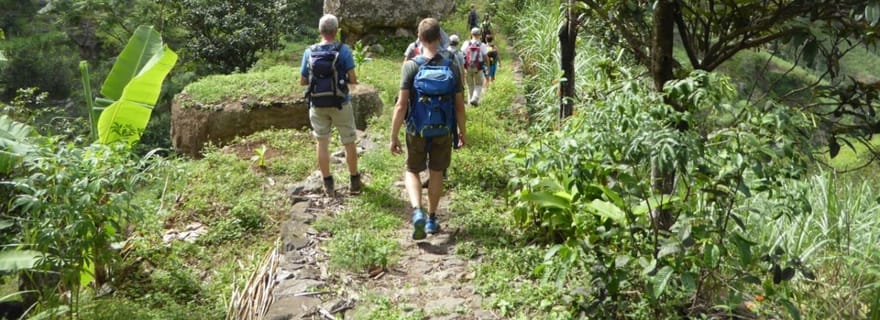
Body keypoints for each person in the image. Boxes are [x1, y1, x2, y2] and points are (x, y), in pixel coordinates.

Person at [390, 18, 467, 240]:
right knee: (436, 172)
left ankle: (417, 212)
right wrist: (462, 132)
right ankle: (432, 218)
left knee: (412, 171)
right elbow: (460, 106)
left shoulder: (411, 65)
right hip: (444, 128)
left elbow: (401, 104)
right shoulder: (451, 64)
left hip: (416, 129)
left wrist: (393, 136)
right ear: (440, 37)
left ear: (419, 38)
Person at [300, 14, 362, 196]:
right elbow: (352, 79)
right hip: (340, 103)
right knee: (349, 141)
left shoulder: (309, 52)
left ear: (320, 31)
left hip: (317, 103)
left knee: (322, 142)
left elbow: (303, 81)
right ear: (336, 31)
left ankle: (328, 184)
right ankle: (354, 182)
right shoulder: (343, 50)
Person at [461, 27, 488, 106]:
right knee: (479, 84)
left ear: (471, 34)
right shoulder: (482, 45)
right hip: (478, 68)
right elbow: (486, 57)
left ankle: (470, 103)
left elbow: (462, 55)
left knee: (470, 85)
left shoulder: (466, 43)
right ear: (479, 35)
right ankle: (475, 98)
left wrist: (463, 67)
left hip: (468, 67)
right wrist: (488, 68)